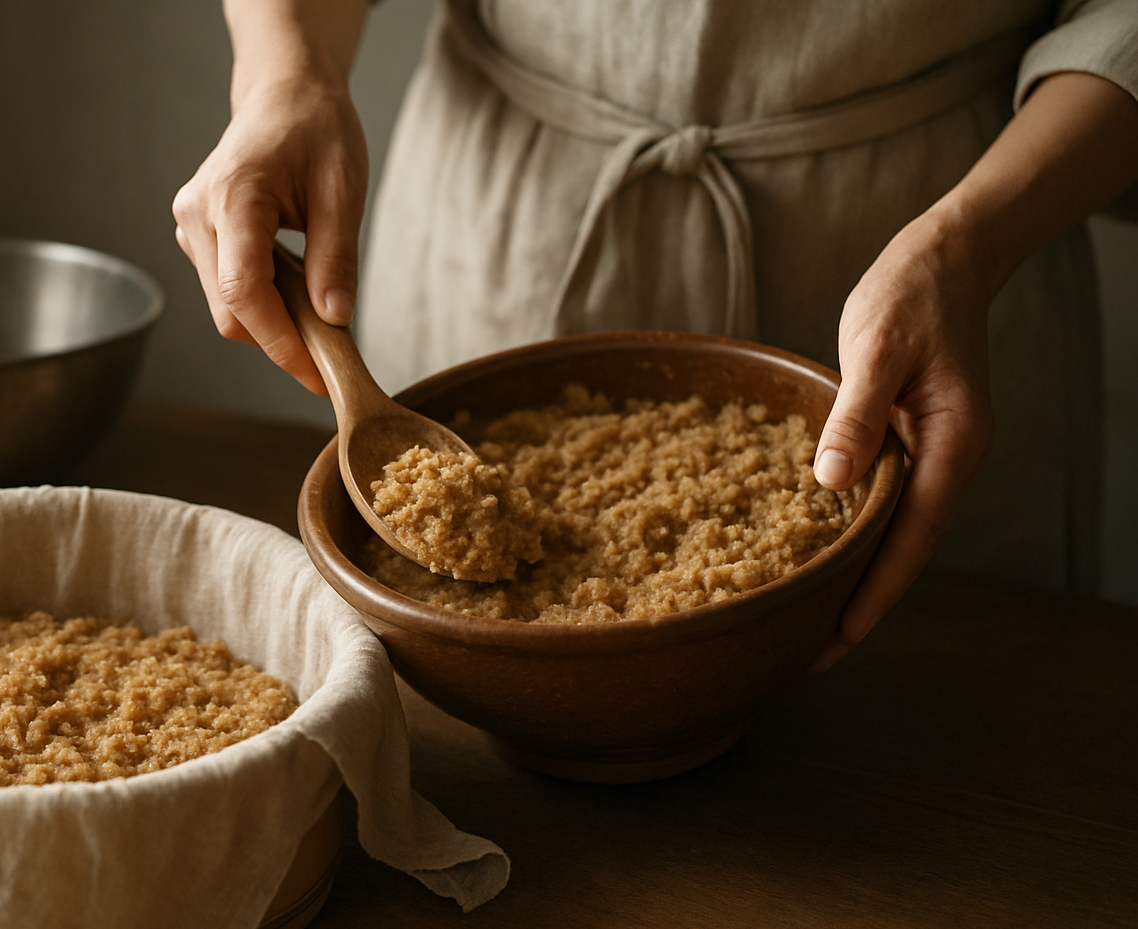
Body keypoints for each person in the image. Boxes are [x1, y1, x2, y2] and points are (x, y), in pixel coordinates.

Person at [172, 0, 1138, 668]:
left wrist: (965, 248)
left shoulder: (959, 247)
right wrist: (288, 76)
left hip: (945, 223)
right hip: (512, 216)